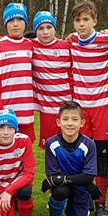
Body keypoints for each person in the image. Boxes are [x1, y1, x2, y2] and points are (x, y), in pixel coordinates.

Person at [66, 0, 108, 216]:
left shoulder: (107, 40)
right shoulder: (71, 41)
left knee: (101, 155)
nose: (82, 24)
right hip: (81, 108)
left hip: (103, 106)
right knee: (81, 154)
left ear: (95, 21)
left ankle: (101, 203)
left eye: (86, 19)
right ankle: (84, 198)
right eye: (78, 20)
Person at [42, 101, 99, 216]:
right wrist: (59, 180)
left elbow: (88, 177)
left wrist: (60, 179)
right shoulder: (51, 143)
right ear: (58, 122)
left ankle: (85, 205)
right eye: (65, 119)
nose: (70, 124)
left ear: (82, 123)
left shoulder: (89, 144)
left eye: (74, 119)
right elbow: (53, 174)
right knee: (61, 192)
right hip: (64, 187)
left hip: (81, 188)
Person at [0, 3, 36, 142]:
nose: (15, 24)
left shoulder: (31, 45)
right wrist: (0, 110)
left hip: (27, 110)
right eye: (11, 21)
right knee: (3, 150)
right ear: (5, 24)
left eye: (19, 20)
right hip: (6, 110)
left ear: (25, 22)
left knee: (25, 149)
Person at [30, 11, 72, 148]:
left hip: (68, 107)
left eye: (49, 27)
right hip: (47, 109)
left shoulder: (67, 46)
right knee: (51, 148)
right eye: (41, 28)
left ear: (55, 28)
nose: (45, 32)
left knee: (71, 147)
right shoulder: (30, 46)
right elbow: (8, 41)